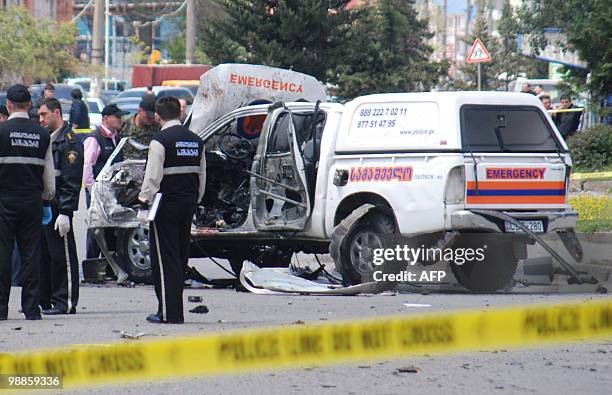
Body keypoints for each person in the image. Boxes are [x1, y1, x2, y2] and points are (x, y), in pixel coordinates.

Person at [137, 96, 206, 324]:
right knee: (179, 257)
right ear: (180, 114)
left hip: (164, 205)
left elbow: (152, 177)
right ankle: (173, 310)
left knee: (164, 260)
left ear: (157, 116)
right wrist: (195, 199)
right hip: (188, 204)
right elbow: (201, 177)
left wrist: (144, 201)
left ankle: (168, 312)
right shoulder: (196, 141)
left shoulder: (160, 141)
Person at [0, 84, 55, 320]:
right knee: (31, 254)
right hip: (32, 200)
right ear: (30, 105)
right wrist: (47, 198)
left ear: (9, 105)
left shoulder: (1, 132)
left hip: (5, 200)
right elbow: (49, 176)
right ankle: (32, 308)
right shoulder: (42, 134)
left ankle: (1, 309)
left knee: (3, 253)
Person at [38, 98, 83, 315]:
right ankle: (46, 300)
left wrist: (66, 211)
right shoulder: (47, 139)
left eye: (44, 114)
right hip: (45, 206)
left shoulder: (69, 142)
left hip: (59, 207)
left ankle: (65, 301)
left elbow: (71, 181)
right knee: (45, 255)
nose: (41, 119)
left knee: (62, 256)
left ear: (57, 113)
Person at [82, 104, 129, 283]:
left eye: (121, 117)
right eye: (117, 117)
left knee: (110, 230)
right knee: (96, 229)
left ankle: (108, 269)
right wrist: (91, 189)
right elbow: (87, 166)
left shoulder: (117, 138)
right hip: (98, 192)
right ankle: (92, 272)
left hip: (113, 192)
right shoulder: (94, 139)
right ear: (106, 118)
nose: (120, 120)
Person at [119, 94, 159, 159]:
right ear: (139, 110)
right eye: (148, 115)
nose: (151, 118)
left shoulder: (157, 126)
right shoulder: (124, 124)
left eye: (153, 115)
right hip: (127, 165)